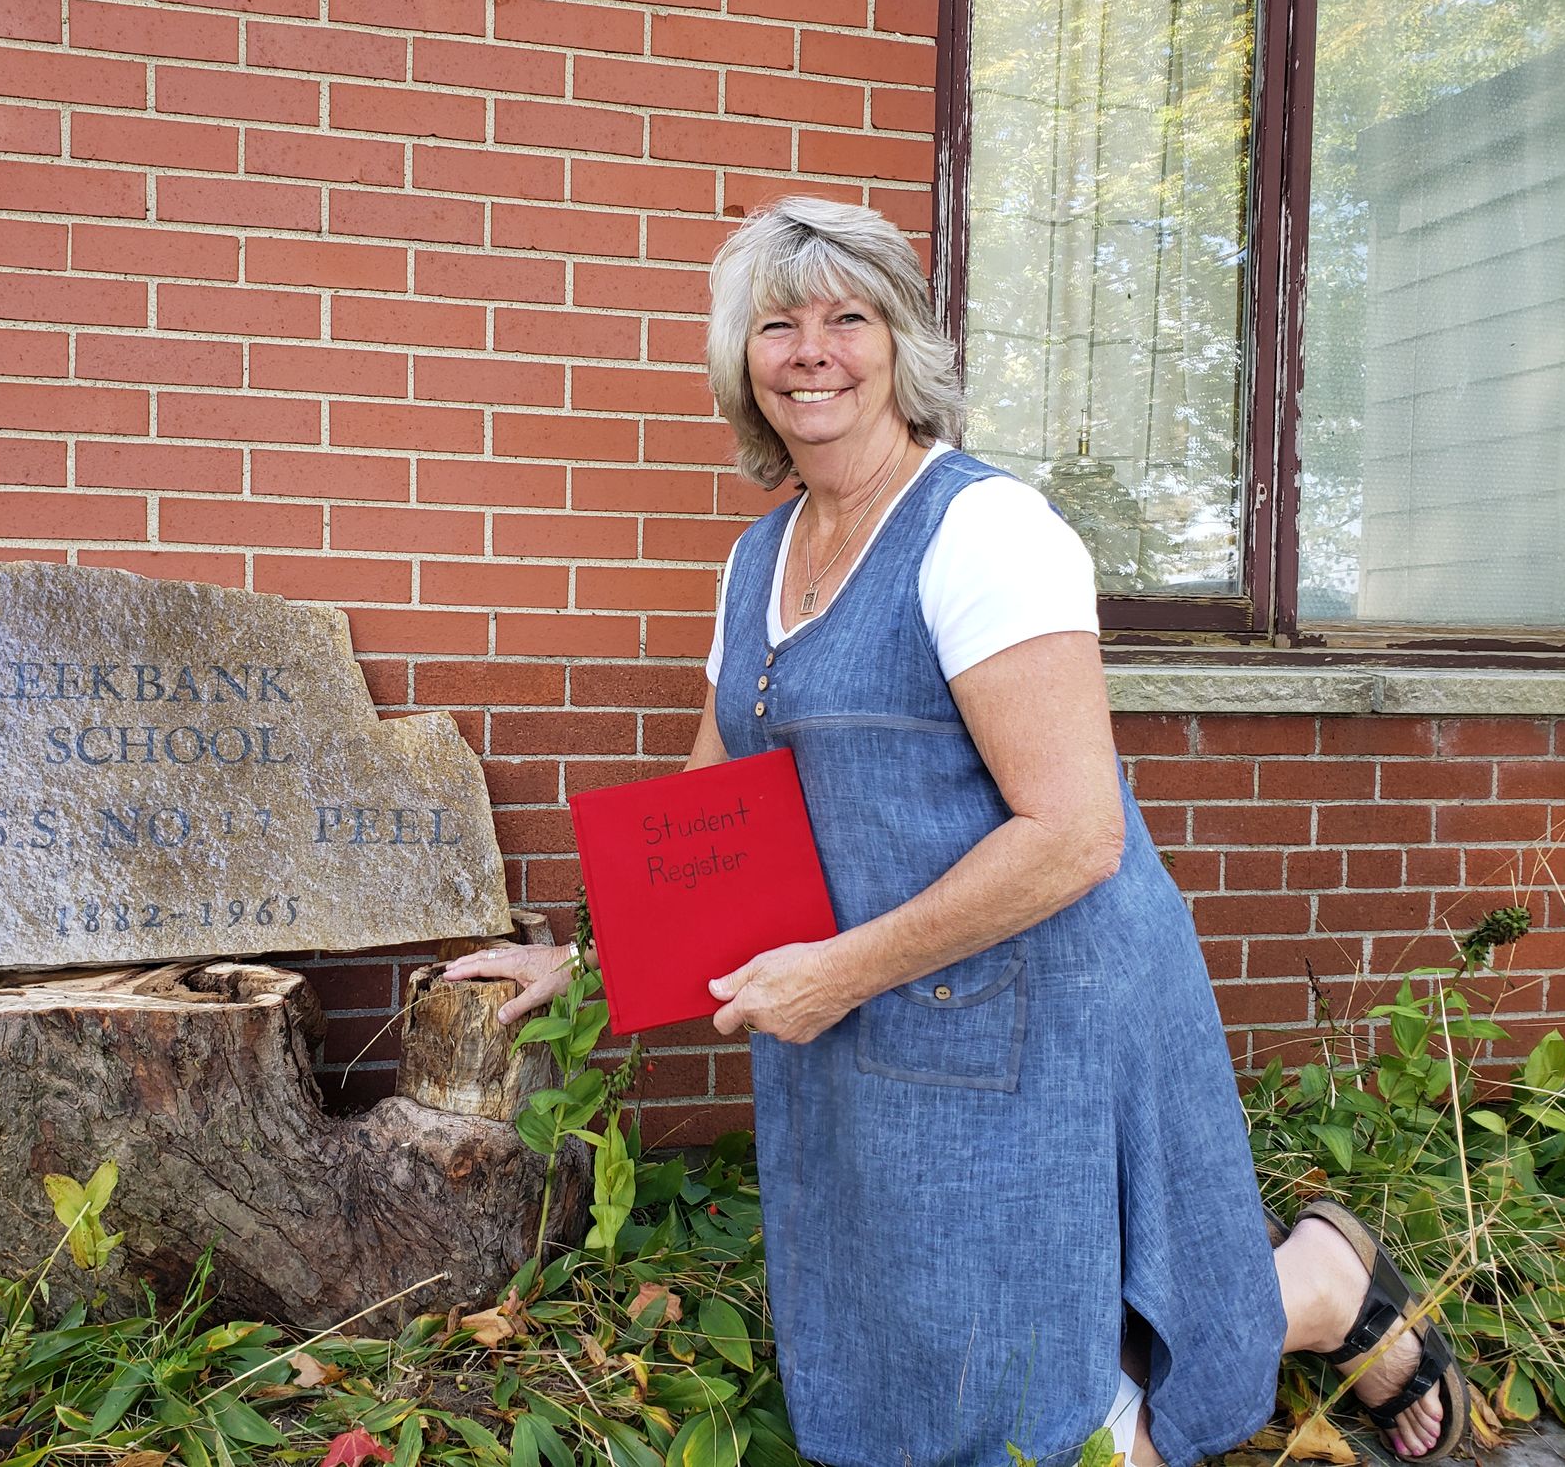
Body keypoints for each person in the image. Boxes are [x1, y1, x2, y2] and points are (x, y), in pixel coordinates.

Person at [444, 196, 1466, 1467]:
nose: (811, 351)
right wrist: (588, 962)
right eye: (777, 324)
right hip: (876, 1004)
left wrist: (836, 970)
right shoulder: (760, 553)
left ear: (899, 348)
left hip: (1032, 992)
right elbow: (714, 792)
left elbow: (1074, 831)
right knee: (916, 1318)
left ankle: (1307, 1294)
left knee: (1019, 1361)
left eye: (845, 319)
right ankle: (1315, 1286)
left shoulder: (982, 529)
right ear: (742, 361)